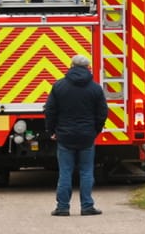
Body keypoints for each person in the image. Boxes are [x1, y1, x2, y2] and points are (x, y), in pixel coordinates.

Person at [44, 54, 108, 217]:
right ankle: (87, 206)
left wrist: (51, 131)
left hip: (64, 136)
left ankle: (63, 207)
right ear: (88, 68)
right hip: (87, 136)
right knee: (86, 171)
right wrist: (96, 130)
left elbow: (50, 111)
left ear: (71, 66)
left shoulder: (59, 86)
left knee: (65, 171)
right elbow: (102, 113)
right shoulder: (95, 88)